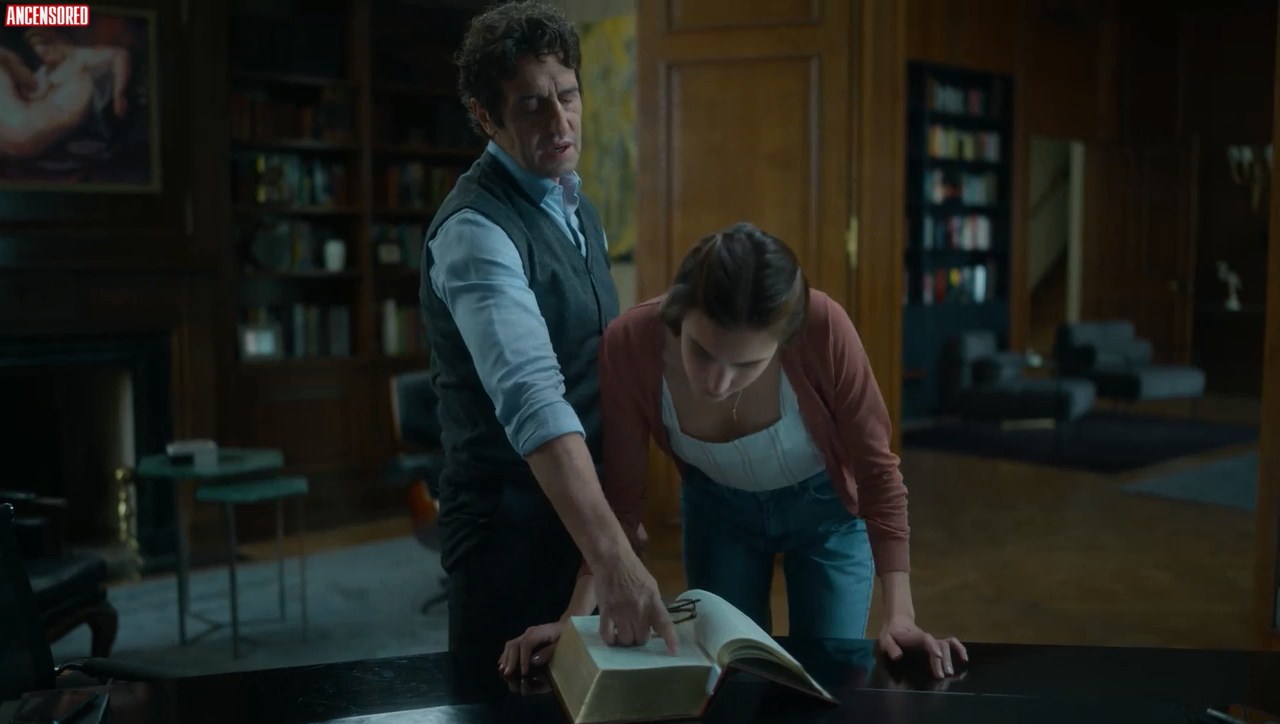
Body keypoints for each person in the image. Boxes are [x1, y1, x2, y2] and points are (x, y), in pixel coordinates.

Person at [499, 221, 968, 680]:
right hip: (718, 515)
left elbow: (878, 473)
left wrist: (900, 615)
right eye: (702, 352)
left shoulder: (824, 327)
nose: (718, 383)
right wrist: (574, 620)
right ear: (679, 314)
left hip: (827, 513)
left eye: (747, 364)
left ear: (785, 341)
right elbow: (620, 504)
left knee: (830, 672)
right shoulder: (630, 344)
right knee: (733, 676)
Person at [419, 0, 676, 672]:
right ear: (486, 117)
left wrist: (614, 523)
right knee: (505, 698)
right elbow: (534, 397)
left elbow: (599, 365)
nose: (561, 123)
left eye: (568, 96)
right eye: (533, 106)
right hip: (506, 527)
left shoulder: (575, 204)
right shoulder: (475, 230)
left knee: (590, 695)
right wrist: (613, 556)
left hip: (580, 514)